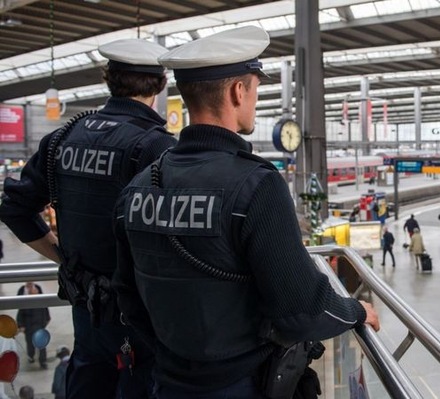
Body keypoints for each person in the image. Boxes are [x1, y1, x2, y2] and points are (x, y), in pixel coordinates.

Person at [112, 27, 379, 397]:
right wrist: (357, 311)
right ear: (239, 92)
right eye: (255, 88)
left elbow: (127, 294)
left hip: (168, 380)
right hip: (240, 384)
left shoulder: (140, 185)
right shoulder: (256, 184)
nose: (254, 99)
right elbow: (301, 309)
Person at [0, 38, 178, 397]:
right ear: (161, 85)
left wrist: (62, 256)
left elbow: (15, 208)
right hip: (140, 317)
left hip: (86, 310)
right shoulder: (157, 146)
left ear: (108, 78)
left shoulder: (62, 138)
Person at [16, 282, 50, 369]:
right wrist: (20, 324)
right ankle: (30, 355)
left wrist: (47, 317)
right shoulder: (22, 290)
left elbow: (43, 303)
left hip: (38, 320)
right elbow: (20, 308)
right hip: (28, 321)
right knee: (29, 341)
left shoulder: (38, 288)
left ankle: (43, 361)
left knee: (41, 342)